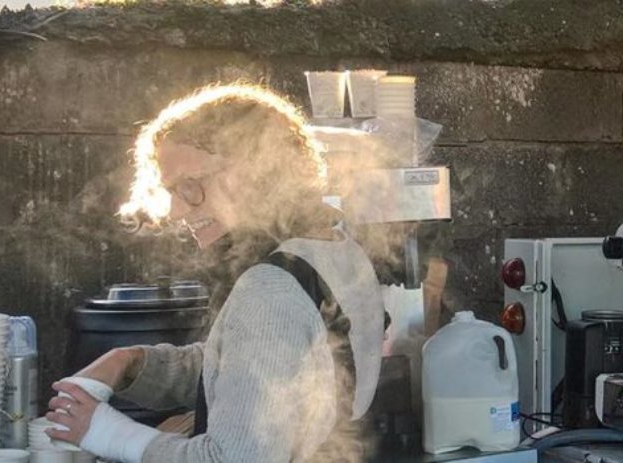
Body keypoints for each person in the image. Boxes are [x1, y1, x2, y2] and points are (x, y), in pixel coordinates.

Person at [44, 85, 386, 462]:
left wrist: (105, 432)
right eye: (171, 190)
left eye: (191, 186)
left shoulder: (269, 288)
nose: (176, 211)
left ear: (258, 172)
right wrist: (134, 363)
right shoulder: (336, 248)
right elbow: (257, 367)